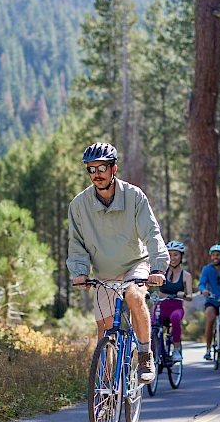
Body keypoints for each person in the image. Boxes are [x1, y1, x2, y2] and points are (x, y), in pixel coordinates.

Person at [67, 142, 169, 384]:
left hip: (135, 265)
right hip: (104, 272)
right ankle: (105, 391)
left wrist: (158, 267)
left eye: (101, 167)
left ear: (113, 169)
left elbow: (152, 234)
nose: (96, 174)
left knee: (134, 295)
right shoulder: (79, 205)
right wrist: (80, 272)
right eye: (91, 169)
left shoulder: (134, 197)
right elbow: (76, 243)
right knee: (105, 332)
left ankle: (145, 355)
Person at [152, 241, 193, 362]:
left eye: (175, 255)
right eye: (169, 255)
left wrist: (183, 295)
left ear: (182, 256)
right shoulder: (162, 272)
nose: (172, 258)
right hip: (161, 305)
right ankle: (151, 352)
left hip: (176, 307)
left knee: (175, 318)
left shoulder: (186, 276)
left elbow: (190, 296)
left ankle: (176, 349)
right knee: (152, 324)